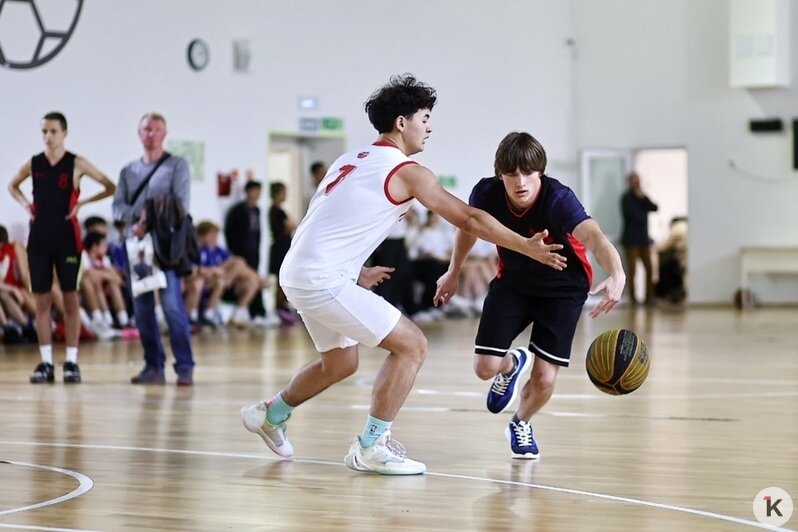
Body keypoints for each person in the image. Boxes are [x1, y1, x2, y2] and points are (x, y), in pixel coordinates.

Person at [240, 74, 567, 475]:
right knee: (412, 345)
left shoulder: (350, 159)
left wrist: (355, 270)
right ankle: (371, 446)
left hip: (298, 272)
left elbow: (325, 221)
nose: (429, 127)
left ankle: (270, 414)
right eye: (424, 118)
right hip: (321, 279)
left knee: (340, 363)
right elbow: (467, 218)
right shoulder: (408, 171)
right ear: (401, 122)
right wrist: (525, 245)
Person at [435, 132, 625, 460]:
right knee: (484, 368)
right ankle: (511, 365)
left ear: (541, 172)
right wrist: (453, 272)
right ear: (500, 174)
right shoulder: (487, 193)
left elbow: (594, 237)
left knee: (544, 378)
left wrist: (617, 273)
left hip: (563, 289)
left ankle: (521, 421)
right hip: (514, 282)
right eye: (511, 174)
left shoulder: (558, 199)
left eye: (528, 173)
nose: (520, 182)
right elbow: (469, 229)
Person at [8, 111, 116, 384]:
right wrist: (26, 205)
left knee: (70, 299)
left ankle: (71, 361)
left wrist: (83, 203)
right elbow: (12, 186)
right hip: (39, 240)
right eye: (44, 131)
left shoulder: (76, 163)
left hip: (68, 240)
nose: (48, 136)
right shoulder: (34, 163)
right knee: (42, 301)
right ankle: (46, 362)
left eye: (53, 131)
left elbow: (109, 186)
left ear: (64, 133)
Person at [112, 112, 195, 386]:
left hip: (165, 247)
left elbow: (180, 203)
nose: (151, 134)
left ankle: (185, 366)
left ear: (165, 133)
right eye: (147, 129)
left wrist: (151, 218)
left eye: (157, 129)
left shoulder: (177, 165)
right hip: (138, 248)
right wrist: (137, 220)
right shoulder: (128, 171)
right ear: (139, 134)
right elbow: (117, 207)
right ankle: (153, 365)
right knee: (142, 310)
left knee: (172, 307)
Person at [224, 180, 267, 321]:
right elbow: (230, 232)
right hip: (241, 253)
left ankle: (255, 312)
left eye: (259, 191)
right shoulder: (238, 211)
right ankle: (250, 311)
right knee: (250, 279)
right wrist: (235, 252)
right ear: (247, 192)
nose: (257, 194)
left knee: (254, 277)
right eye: (254, 191)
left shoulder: (257, 210)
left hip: (254, 252)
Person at [620, 171, 658, 305]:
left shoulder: (642, 197)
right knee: (632, 271)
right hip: (631, 240)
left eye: (638, 181)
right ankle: (633, 298)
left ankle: (649, 297)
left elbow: (655, 208)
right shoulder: (626, 198)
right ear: (629, 183)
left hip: (643, 240)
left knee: (650, 268)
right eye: (634, 181)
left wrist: (643, 198)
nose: (637, 184)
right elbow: (633, 216)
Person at [268, 181, 297, 324]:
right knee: (280, 279)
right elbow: (290, 226)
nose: (285, 195)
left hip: (284, 246)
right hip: (280, 248)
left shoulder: (279, 211)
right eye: (283, 192)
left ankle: (282, 305)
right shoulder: (276, 211)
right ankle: (280, 306)